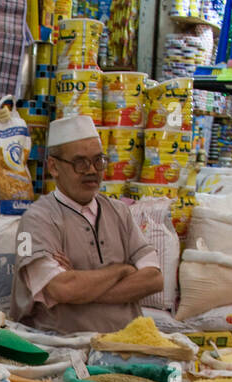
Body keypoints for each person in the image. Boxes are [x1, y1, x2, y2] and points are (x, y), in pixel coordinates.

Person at [9, 115, 163, 333]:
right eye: (80, 163)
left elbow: (154, 279)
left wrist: (82, 286)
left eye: (98, 161)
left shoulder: (119, 212)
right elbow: (62, 289)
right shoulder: (37, 219)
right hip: (63, 347)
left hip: (125, 345)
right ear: (54, 167)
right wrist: (122, 270)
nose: (92, 170)